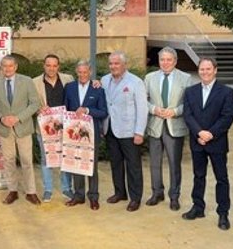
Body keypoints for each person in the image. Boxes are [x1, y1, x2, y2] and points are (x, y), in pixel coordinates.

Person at [182, 57, 233, 230]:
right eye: (202, 69)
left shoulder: (226, 92)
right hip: (197, 141)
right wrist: (199, 132)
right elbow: (188, 115)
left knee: (221, 178)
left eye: (208, 69)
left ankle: (223, 213)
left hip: (217, 142)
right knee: (198, 176)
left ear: (215, 70)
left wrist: (210, 134)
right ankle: (198, 207)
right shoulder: (190, 91)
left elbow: (227, 116)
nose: (205, 72)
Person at [0, 55, 42, 205]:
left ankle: (31, 192)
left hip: (22, 128)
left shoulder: (27, 81)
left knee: (26, 161)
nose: (8, 69)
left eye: (10, 66)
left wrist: (18, 118)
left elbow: (35, 103)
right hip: (5, 130)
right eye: (4, 66)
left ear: (16, 67)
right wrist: (1, 118)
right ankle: (12, 191)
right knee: (9, 161)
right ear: (1, 68)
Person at [144, 47, 191, 211]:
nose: (165, 63)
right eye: (162, 59)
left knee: (174, 164)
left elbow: (190, 104)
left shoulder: (186, 78)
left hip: (174, 125)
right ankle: (157, 192)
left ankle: (174, 196)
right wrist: (154, 109)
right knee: (155, 163)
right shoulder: (150, 78)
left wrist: (175, 111)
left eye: (169, 59)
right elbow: (144, 100)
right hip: (155, 125)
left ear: (175, 61)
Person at [101, 52, 147, 212]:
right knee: (116, 163)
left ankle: (135, 198)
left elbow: (142, 108)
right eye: (111, 64)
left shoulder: (136, 82)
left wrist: (139, 132)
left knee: (133, 166)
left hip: (129, 131)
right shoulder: (104, 80)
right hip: (110, 129)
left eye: (116, 63)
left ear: (124, 65)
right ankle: (120, 192)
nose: (113, 66)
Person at [63, 60, 108, 210]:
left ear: (90, 72)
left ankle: (93, 197)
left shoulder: (98, 89)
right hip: (74, 134)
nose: (82, 75)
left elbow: (103, 112)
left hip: (91, 134)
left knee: (91, 166)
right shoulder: (69, 88)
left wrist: (87, 110)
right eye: (80, 72)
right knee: (76, 164)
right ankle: (79, 196)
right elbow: (65, 109)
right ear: (77, 72)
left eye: (85, 72)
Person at [32, 54, 74, 202]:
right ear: (44, 66)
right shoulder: (35, 82)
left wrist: (95, 82)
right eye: (48, 65)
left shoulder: (68, 79)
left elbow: (79, 91)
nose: (51, 68)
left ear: (58, 66)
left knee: (66, 158)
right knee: (46, 160)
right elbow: (30, 102)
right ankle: (48, 189)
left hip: (65, 127)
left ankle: (67, 188)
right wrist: (39, 109)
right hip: (45, 129)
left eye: (54, 65)